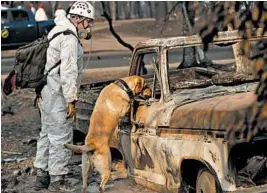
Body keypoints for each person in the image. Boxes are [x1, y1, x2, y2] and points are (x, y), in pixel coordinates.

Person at [33, 1, 94, 192]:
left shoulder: (59, 29)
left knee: (47, 133)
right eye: (87, 21)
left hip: (46, 90)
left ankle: (42, 176)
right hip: (57, 92)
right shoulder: (69, 38)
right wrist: (71, 100)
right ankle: (58, 180)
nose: (89, 26)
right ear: (77, 18)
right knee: (61, 135)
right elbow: (68, 72)